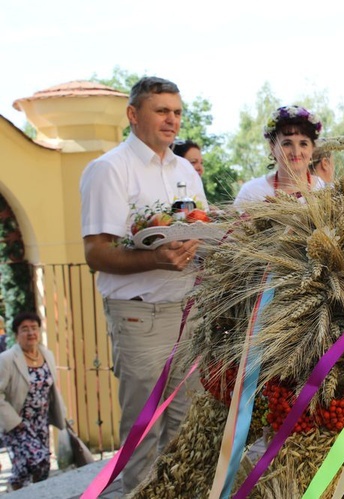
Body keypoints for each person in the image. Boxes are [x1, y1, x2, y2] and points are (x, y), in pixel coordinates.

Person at [79, 76, 207, 492]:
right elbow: (96, 252)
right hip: (139, 314)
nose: (172, 120)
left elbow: (201, 228)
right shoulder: (109, 169)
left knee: (186, 430)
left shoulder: (185, 168)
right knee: (143, 433)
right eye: (162, 111)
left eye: (177, 112)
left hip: (186, 310)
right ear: (134, 115)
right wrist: (155, 258)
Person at [0, 312, 66, 490]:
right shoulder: (6, 359)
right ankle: (22, 490)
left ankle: (28, 491)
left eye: (34, 328)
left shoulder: (47, 355)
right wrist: (15, 422)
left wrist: (61, 414)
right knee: (40, 460)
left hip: (40, 422)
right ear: (16, 334)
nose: (30, 333)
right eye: (25, 329)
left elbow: (51, 389)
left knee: (31, 468)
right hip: (18, 424)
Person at [234, 105, 326, 206]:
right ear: (272, 147)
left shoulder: (325, 190)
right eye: (287, 144)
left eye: (303, 144)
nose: (296, 152)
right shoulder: (251, 192)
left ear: (313, 148)